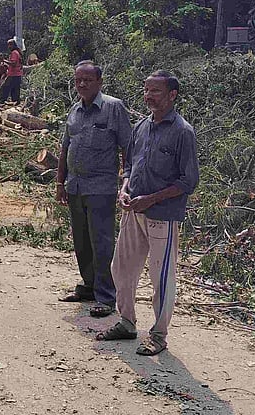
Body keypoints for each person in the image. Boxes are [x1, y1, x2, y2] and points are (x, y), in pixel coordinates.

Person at [98, 70, 199, 357]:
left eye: (155, 91)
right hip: (134, 213)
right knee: (122, 268)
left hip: (163, 216)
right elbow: (129, 164)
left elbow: (188, 181)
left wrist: (151, 199)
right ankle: (127, 322)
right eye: (146, 90)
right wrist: (125, 188)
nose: (149, 96)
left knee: (161, 278)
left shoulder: (182, 132)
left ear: (172, 95)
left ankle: (158, 335)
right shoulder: (142, 127)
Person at [56, 61, 135, 318]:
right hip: (75, 186)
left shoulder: (113, 108)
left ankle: (106, 296)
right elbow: (65, 148)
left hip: (101, 188)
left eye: (87, 80)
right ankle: (89, 286)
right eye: (78, 80)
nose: (82, 84)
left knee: (101, 243)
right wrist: (60, 183)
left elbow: (129, 148)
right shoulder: (75, 110)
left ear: (99, 82)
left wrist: (127, 180)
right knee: (81, 241)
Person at [0, 39, 24, 104]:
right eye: (8, 45)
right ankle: (16, 103)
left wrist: (4, 60)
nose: (9, 46)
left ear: (13, 45)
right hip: (17, 75)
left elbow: (13, 63)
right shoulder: (17, 52)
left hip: (13, 75)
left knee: (4, 89)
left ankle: (1, 102)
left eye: (10, 45)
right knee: (15, 91)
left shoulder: (14, 53)